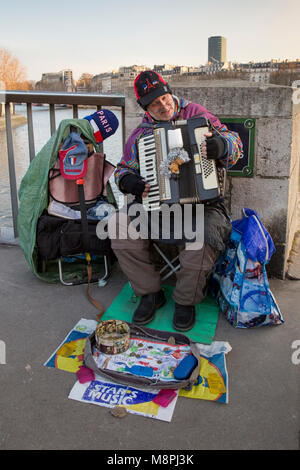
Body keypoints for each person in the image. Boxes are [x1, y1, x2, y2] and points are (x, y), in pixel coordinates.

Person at [110, 70, 243, 332]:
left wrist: (222, 146)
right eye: (154, 103)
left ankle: (185, 301)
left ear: (170, 92)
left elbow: (235, 144)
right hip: (157, 206)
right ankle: (149, 293)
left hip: (204, 205)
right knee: (118, 226)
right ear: (144, 107)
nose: (163, 106)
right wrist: (129, 181)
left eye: (164, 98)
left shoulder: (199, 116)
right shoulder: (140, 135)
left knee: (202, 236)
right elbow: (122, 170)